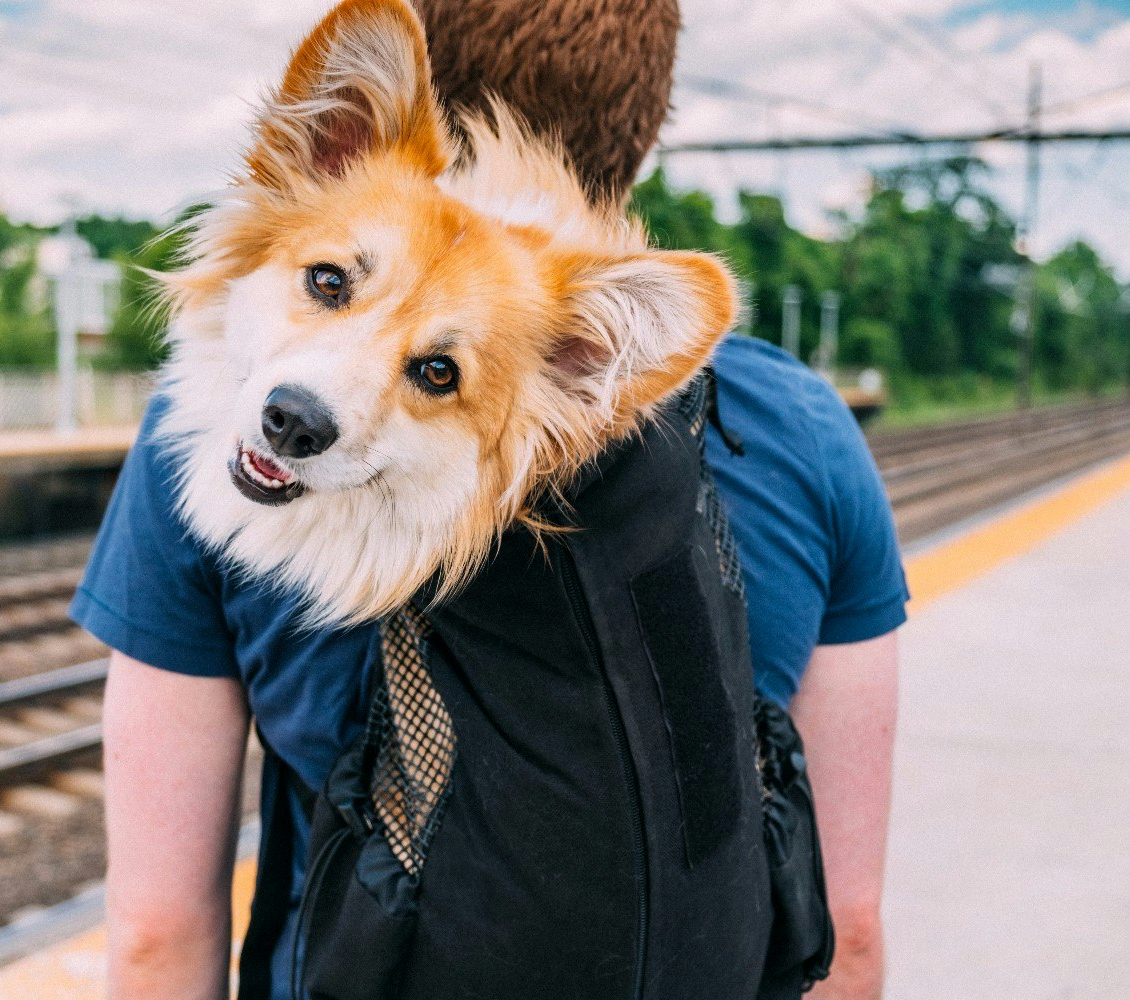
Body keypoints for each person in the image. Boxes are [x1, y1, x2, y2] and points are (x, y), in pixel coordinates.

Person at [70, 2, 907, 998]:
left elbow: (159, 932)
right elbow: (842, 932)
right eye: (331, 284)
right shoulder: (809, 430)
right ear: (649, 127)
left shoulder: (214, 434)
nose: (304, 416)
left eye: (432, 371)